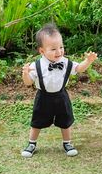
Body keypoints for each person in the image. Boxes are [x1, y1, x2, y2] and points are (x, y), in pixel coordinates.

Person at [21, 23, 97, 158]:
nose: (59, 52)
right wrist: (26, 73)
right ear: (42, 51)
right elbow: (28, 83)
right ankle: (32, 143)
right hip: (43, 97)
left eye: (61, 47)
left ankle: (67, 143)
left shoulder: (66, 62)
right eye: (53, 49)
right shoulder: (36, 65)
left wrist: (88, 61)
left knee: (65, 120)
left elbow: (79, 68)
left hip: (61, 96)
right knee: (37, 121)